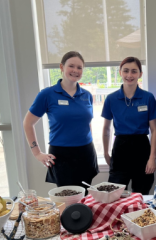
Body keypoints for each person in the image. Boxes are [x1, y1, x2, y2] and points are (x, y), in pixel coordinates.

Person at [23, 51, 99, 195]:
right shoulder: (47, 94)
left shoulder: (87, 95)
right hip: (62, 155)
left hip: (86, 153)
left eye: (79, 67)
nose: (75, 71)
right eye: (71, 66)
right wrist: (37, 153)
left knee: (86, 198)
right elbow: (28, 123)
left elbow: (86, 123)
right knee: (67, 200)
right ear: (61, 67)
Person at [102, 57, 156, 195]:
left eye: (134, 71)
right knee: (115, 193)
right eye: (126, 71)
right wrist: (105, 153)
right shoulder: (111, 99)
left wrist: (152, 158)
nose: (129, 75)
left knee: (141, 193)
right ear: (120, 72)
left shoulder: (148, 98)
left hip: (142, 147)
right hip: (121, 147)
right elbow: (106, 129)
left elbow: (154, 130)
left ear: (140, 74)